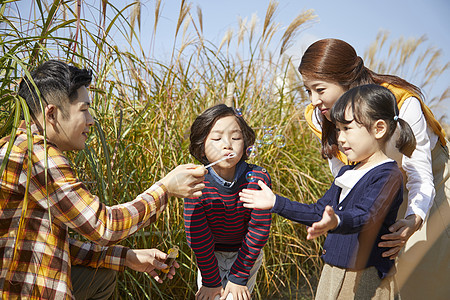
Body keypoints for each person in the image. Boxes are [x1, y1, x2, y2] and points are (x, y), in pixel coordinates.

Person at [0, 60, 207, 299]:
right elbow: (103, 226)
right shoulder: (38, 156)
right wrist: (165, 189)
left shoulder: (16, 145)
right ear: (52, 113)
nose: (91, 120)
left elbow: (51, 244)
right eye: (84, 109)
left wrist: (126, 257)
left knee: (101, 277)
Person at [298, 38, 449, 299]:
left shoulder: (400, 102)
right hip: (378, 185)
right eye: (307, 90)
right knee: (377, 276)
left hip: (428, 182)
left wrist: (413, 221)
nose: (314, 100)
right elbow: (343, 172)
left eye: (320, 89)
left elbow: (419, 176)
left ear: (346, 80)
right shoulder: (319, 116)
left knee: (424, 272)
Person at [240, 84, 417, 299]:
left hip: (365, 279)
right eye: (338, 129)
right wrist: (276, 202)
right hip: (332, 272)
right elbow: (318, 212)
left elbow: (367, 216)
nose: (340, 138)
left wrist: (337, 222)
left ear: (378, 129)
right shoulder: (346, 172)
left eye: (347, 129)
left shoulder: (389, 175)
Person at [184, 104, 272, 300]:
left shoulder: (257, 179)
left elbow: (258, 231)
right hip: (209, 255)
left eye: (236, 138)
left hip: (247, 252)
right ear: (201, 147)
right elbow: (198, 236)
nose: (227, 145)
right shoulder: (195, 183)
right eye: (216, 138)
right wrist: (210, 281)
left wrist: (239, 277)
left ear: (246, 142)